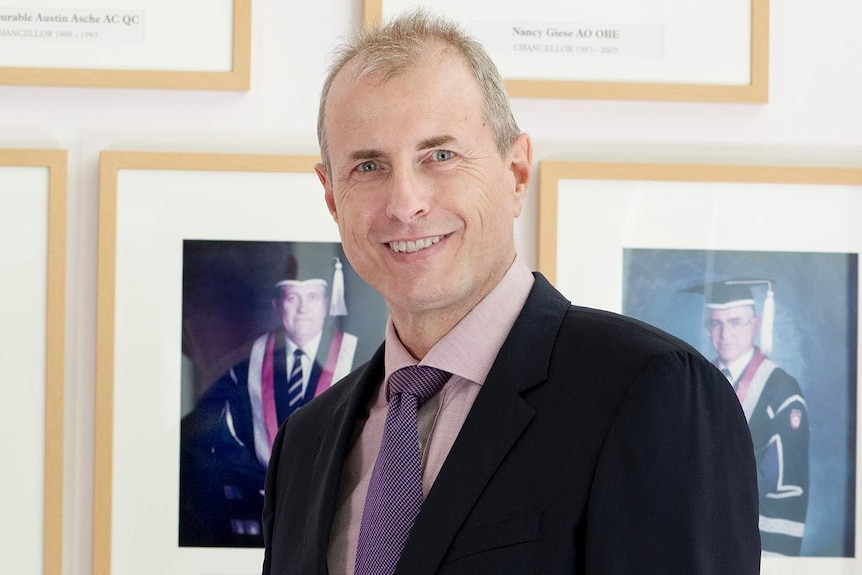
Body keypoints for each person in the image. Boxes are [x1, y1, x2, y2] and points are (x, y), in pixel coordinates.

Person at [262, 10, 760, 574]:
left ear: (517, 171)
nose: (405, 204)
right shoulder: (305, 444)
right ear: (331, 197)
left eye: (440, 156)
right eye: (369, 165)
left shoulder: (651, 392)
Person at [179, 262, 357, 547]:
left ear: (327, 304)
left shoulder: (363, 360)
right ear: (277, 305)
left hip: (338, 523)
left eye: (313, 297)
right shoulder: (243, 368)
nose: (302, 309)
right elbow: (210, 438)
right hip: (256, 518)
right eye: (292, 297)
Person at [691, 279, 810, 556]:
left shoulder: (782, 389)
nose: (724, 334)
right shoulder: (699, 378)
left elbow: (779, 477)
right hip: (702, 531)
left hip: (757, 535)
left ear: (755, 326)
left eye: (735, 322)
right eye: (715, 323)